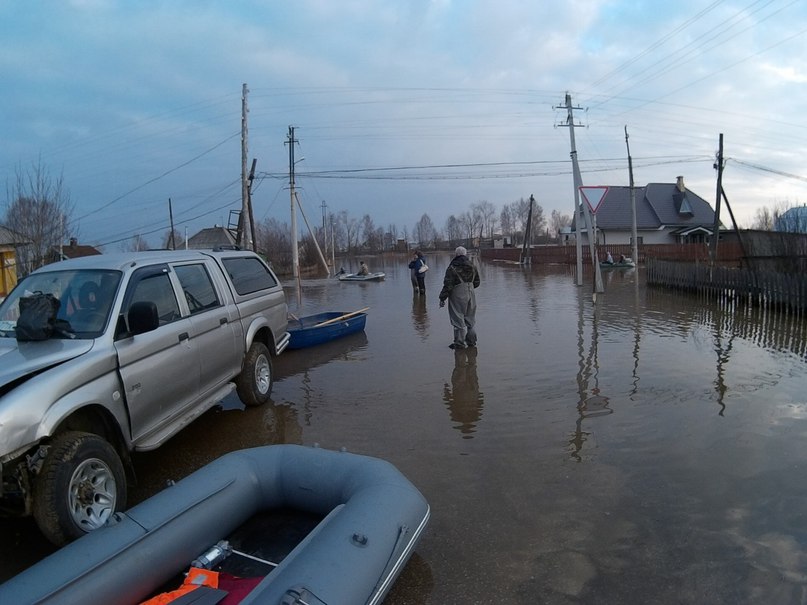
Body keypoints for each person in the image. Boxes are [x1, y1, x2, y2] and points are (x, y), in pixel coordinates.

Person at [438, 246, 480, 349]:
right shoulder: (472, 265)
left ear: (456, 254)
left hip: (457, 294)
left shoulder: (452, 267)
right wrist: (468, 287)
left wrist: (442, 298)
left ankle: (460, 344)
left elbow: (448, 285)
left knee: (458, 318)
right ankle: (472, 342)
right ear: (465, 254)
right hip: (471, 293)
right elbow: (477, 282)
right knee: (470, 319)